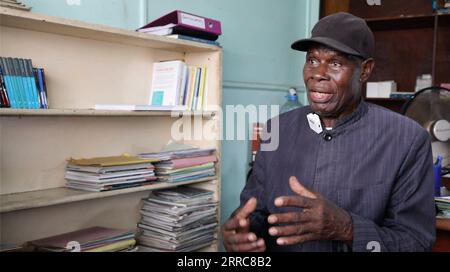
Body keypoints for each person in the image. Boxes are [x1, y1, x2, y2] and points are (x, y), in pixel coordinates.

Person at [222, 12, 436, 252]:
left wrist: (347, 228)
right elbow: (256, 211)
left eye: (335, 63)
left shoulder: (406, 139)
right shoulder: (276, 130)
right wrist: (243, 231)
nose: (318, 73)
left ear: (365, 70)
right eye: (312, 60)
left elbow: (416, 242)